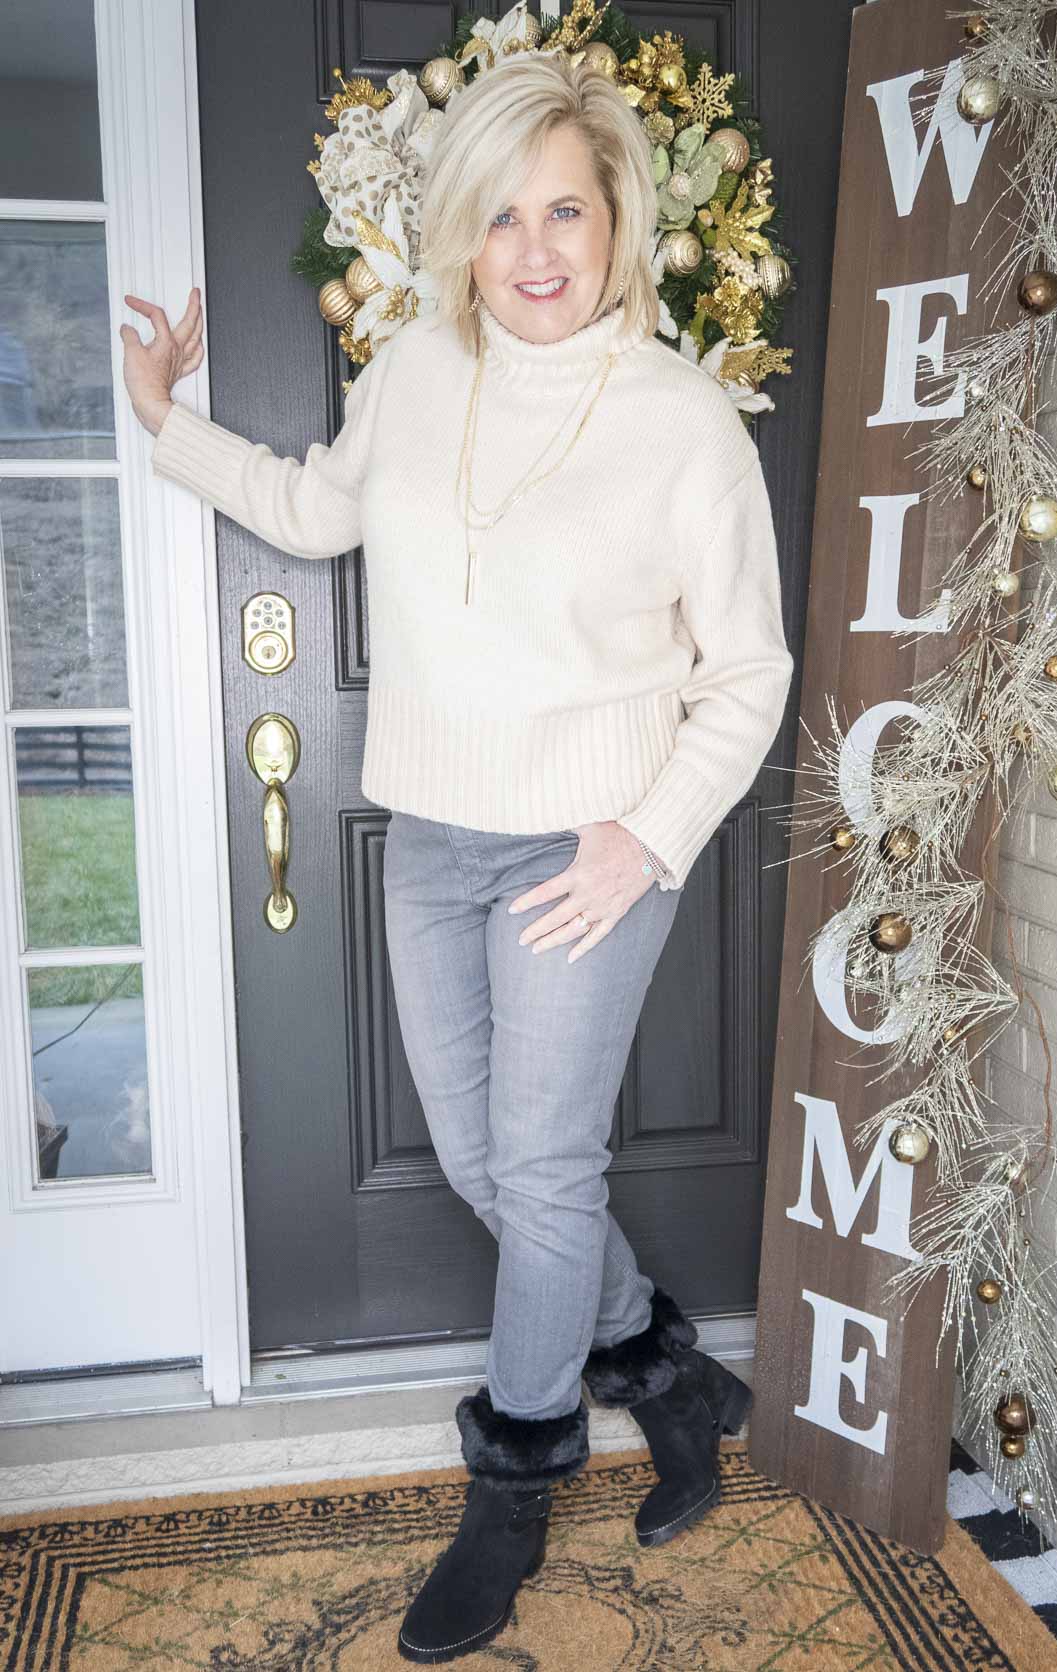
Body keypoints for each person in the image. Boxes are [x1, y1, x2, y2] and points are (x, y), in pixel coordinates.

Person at [120, 48, 793, 1666]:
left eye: (565, 210)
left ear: (618, 219)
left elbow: (749, 671)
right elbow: (316, 511)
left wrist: (646, 838)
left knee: (542, 1170)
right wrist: (163, 421)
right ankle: (673, 1377)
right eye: (502, 216)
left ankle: (513, 1488)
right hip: (430, 841)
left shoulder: (685, 420)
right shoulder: (419, 367)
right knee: (489, 1163)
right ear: (461, 235)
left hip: (586, 850)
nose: (535, 248)